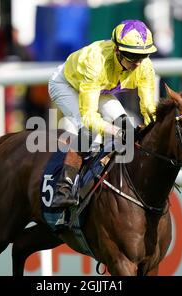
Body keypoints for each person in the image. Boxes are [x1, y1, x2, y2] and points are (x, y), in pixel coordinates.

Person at [48, 20, 158, 209]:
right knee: (89, 133)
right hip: (66, 85)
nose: (138, 63)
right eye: (132, 56)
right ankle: (63, 188)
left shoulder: (144, 66)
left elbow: (149, 109)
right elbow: (90, 118)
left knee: (128, 129)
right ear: (117, 50)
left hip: (102, 89)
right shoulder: (95, 62)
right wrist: (116, 132)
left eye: (143, 55)